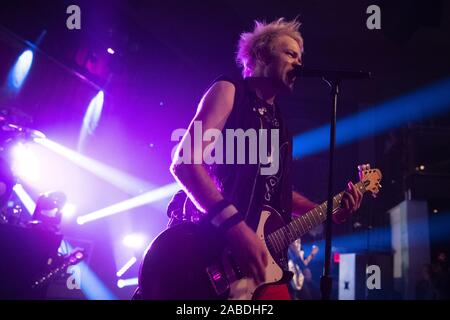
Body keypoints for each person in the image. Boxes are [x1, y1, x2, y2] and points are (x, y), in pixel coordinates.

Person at [169, 17, 363, 300]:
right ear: (261, 54)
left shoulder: (281, 126)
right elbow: (184, 163)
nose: (299, 63)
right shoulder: (229, 91)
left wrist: (329, 211)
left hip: (268, 267)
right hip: (217, 252)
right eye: (290, 54)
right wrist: (236, 229)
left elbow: (278, 195)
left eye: (300, 57)